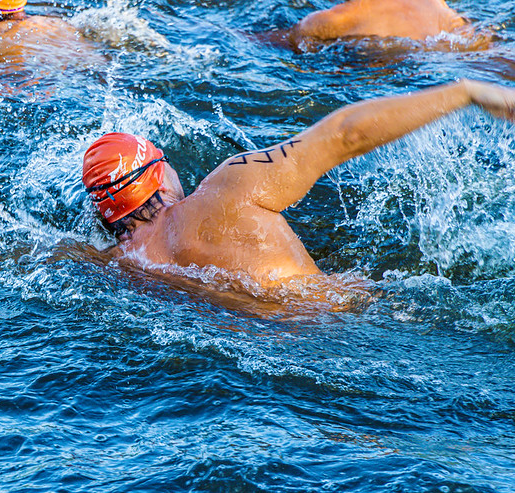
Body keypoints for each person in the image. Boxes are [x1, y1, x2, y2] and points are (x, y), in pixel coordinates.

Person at [82, 80, 515, 293]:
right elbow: (345, 134)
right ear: (158, 173)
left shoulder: (122, 266)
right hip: (351, 323)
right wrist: (465, 93)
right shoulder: (230, 187)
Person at [288, 0, 477, 44]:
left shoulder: (334, 20)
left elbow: (281, 45)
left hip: (386, 73)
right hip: (438, 66)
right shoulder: (435, 5)